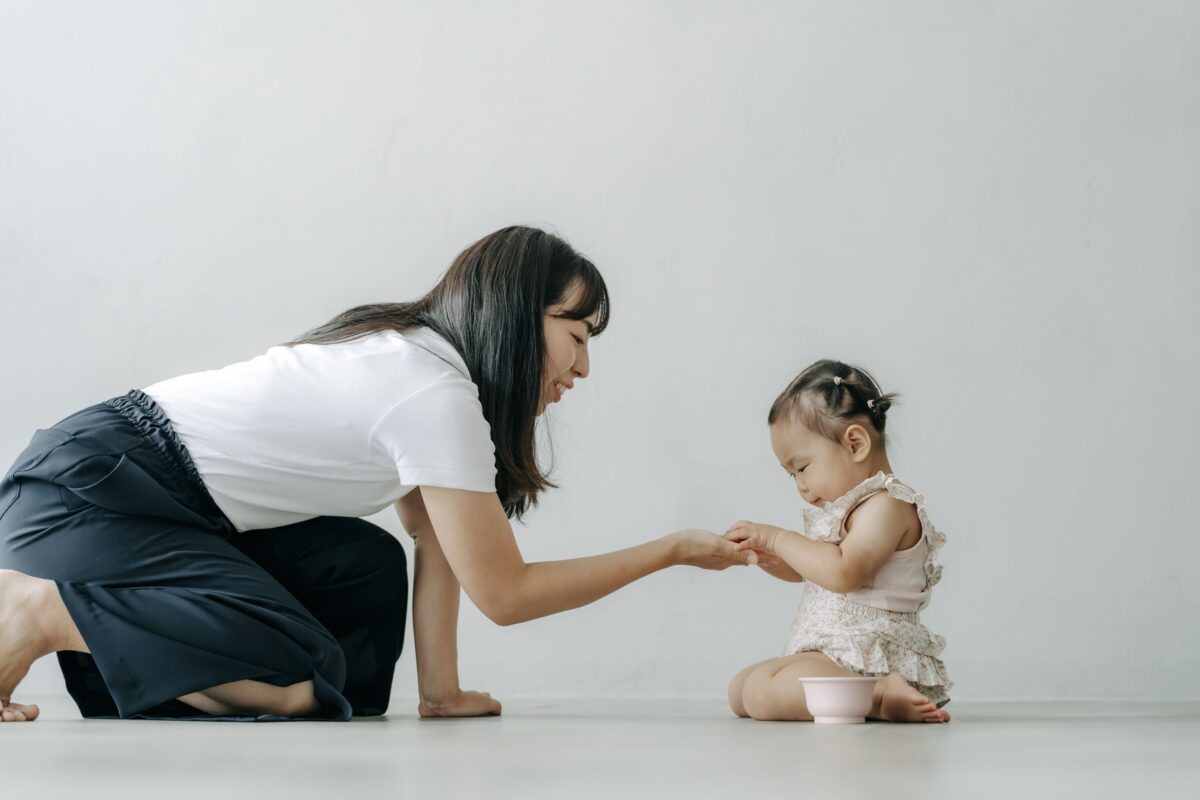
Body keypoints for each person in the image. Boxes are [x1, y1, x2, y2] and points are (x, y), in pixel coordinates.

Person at [0, 225, 745, 723]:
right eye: (577, 335)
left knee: (363, 586)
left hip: (136, 493)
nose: (583, 366)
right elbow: (508, 595)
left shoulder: (418, 359)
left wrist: (442, 693)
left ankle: (119, 650)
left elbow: (436, 543)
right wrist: (674, 549)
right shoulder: (434, 392)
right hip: (89, 494)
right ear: (520, 316)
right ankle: (40, 613)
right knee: (303, 662)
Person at [723, 359, 952, 723]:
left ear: (855, 443)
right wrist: (767, 555)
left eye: (802, 468)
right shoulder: (846, 510)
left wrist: (777, 537)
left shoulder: (887, 505)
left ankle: (879, 696)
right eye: (790, 475)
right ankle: (861, 696)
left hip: (871, 656)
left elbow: (844, 573)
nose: (799, 484)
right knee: (741, 689)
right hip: (837, 653)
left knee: (761, 694)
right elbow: (813, 572)